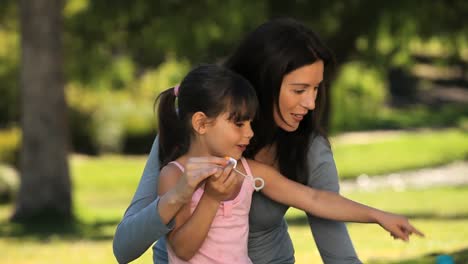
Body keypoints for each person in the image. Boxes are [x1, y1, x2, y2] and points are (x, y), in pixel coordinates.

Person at [112, 18, 413, 264]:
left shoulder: (287, 156)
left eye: (317, 89)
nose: (310, 103)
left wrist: (378, 215)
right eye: (299, 90)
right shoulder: (185, 140)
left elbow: (319, 204)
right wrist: (193, 196)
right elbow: (129, 249)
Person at [154, 64, 422, 264]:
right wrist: (211, 198)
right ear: (201, 123)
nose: (250, 133)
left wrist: (378, 216)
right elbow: (182, 249)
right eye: (239, 124)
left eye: (250, 123)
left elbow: (315, 198)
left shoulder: (247, 171)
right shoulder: (174, 175)